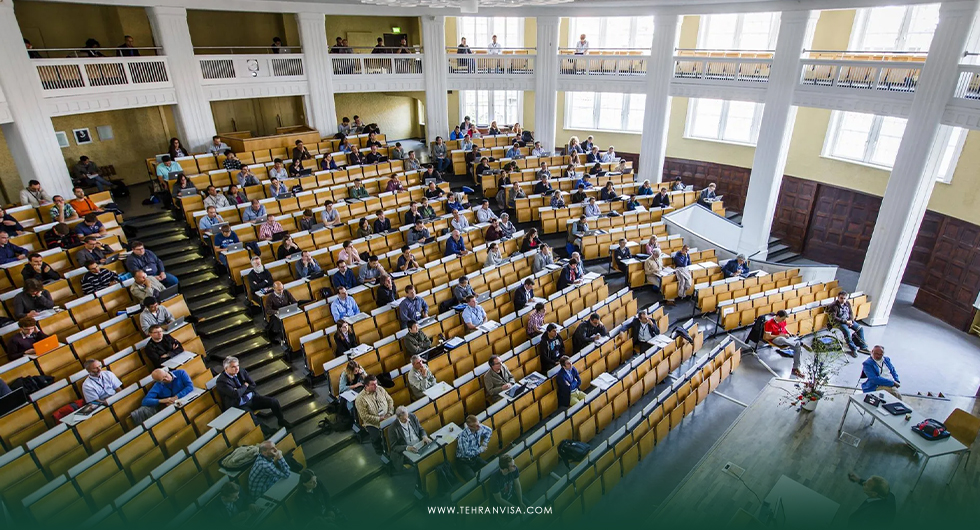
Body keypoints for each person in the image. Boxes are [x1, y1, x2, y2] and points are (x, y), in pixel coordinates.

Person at [216, 356, 291, 428]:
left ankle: (281, 420)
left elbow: (253, 385)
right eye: (233, 367)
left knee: (273, 401)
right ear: (226, 368)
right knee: (254, 419)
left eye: (237, 365)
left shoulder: (241, 371)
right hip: (239, 405)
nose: (237, 369)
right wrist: (245, 386)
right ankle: (269, 431)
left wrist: (240, 391)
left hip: (252, 398)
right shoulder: (221, 381)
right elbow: (235, 394)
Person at [354, 375, 395, 454]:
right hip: (373, 423)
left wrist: (389, 413)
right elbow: (364, 416)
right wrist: (380, 419)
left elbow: (390, 400)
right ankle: (379, 451)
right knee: (376, 437)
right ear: (366, 386)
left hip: (388, 415)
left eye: (376, 383)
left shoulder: (380, 389)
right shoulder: (360, 399)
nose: (376, 386)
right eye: (373, 384)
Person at [765, 310, 806, 379]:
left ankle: (795, 368)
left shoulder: (783, 321)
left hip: (785, 337)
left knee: (797, 347)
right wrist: (780, 335)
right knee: (782, 339)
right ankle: (796, 342)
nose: (784, 320)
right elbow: (767, 336)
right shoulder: (769, 323)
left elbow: (784, 328)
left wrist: (789, 333)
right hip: (776, 339)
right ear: (778, 316)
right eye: (783, 319)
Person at [388, 406, 432, 472]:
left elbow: (420, 429)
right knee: (420, 462)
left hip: (419, 443)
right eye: (404, 420)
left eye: (407, 417)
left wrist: (424, 437)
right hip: (407, 450)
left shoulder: (412, 416)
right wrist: (407, 448)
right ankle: (423, 476)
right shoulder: (392, 428)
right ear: (398, 418)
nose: (407, 420)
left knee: (432, 451)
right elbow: (394, 446)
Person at [456, 415, 492, 479]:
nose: (479, 426)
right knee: (473, 479)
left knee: (489, 468)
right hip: (463, 461)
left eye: (479, 423)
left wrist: (484, 443)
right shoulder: (463, 436)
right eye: (477, 426)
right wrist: (480, 450)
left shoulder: (478, 428)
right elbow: (465, 454)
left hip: (474, 458)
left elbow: (489, 431)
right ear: (470, 427)